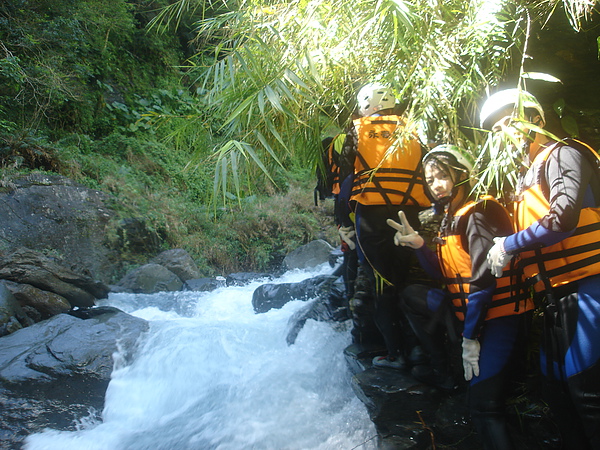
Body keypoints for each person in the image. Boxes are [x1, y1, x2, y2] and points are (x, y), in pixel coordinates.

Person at [389, 145, 534, 449]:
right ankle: (442, 372)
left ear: (461, 175)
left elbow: (483, 281)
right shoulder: (450, 218)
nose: (436, 184)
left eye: (442, 176)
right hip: (470, 315)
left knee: (483, 407)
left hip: (499, 318)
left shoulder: (479, 213)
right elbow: (443, 275)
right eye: (430, 180)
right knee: (410, 295)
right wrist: (419, 245)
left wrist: (470, 338)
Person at [482, 88, 600, 449]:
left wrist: (509, 244)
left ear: (535, 119)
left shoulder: (563, 154)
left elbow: (562, 218)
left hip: (588, 290)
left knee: (588, 395)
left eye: (510, 122)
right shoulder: (524, 177)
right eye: (497, 129)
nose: (505, 133)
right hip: (554, 300)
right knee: (557, 392)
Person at [338, 83, 431, 369]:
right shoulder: (415, 129)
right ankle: (419, 351)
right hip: (408, 216)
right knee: (404, 282)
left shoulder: (356, 131)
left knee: (382, 287)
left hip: (373, 220)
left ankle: (395, 354)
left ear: (368, 106)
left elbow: (346, 183)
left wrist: (342, 221)